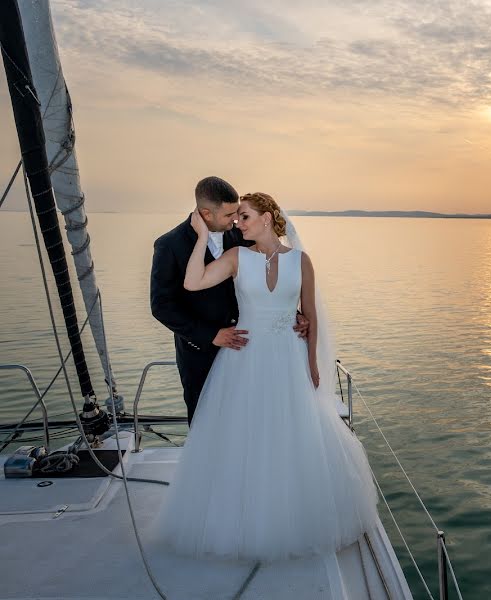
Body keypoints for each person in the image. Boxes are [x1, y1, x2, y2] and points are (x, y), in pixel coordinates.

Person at [152, 192, 379, 561]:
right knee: (245, 436)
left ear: (268, 217)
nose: (238, 224)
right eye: (236, 218)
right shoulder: (236, 256)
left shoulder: (302, 261)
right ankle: (243, 516)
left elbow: (311, 315)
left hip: (289, 359)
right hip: (245, 358)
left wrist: (313, 363)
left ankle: (293, 513)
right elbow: (192, 284)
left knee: (292, 433)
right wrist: (196, 238)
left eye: (244, 217)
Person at [150, 176, 308, 425]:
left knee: (250, 419)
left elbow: (266, 276)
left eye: (237, 213)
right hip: (201, 353)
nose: (235, 220)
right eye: (228, 215)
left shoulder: (242, 234)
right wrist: (211, 334)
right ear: (206, 213)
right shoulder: (169, 245)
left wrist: (292, 313)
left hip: (250, 348)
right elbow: (161, 306)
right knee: (206, 423)